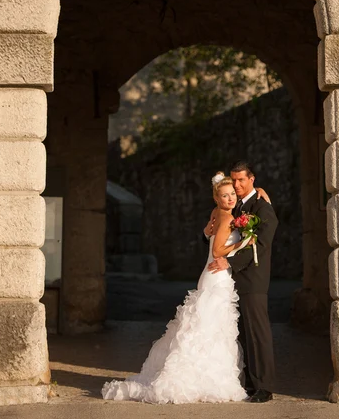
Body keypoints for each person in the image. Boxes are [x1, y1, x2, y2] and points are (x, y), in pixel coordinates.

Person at [101, 173, 251, 404]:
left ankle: (205, 378)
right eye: (224, 195)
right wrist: (244, 241)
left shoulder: (216, 213)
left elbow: (208, 233)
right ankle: (201, 380)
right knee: (210, 327)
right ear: (217, 197)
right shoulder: (226, 218)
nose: (230, 198)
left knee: (209, 327)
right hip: (218, 276)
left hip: (213, 275)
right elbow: (219, 251)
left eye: (232, 194)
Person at [208, 160, 278, 403]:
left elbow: (261, 243)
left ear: (252, 179)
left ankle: (264, 386)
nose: (237, 185)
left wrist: (230, 262)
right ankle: (249, 382)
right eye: (234, 180)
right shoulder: (235, 204)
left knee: (258, 332)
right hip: (233, 281)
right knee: (241, 332)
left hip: (253, 278)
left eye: (241, 180)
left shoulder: (262, 207)